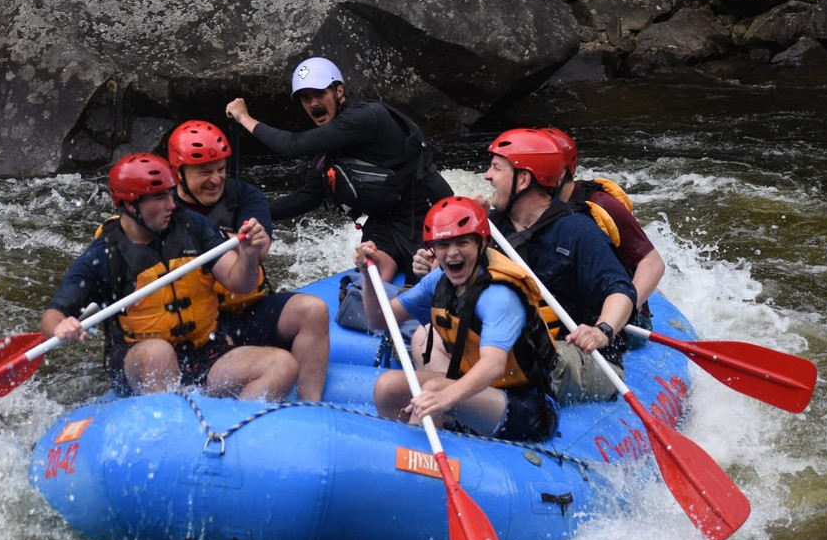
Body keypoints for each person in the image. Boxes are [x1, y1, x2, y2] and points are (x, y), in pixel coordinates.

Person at [41, 152, 297, 401]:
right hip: (139, 360)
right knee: (158, 352)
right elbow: (52, 315)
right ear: (131, 205)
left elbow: (239, 283)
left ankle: (236, 430)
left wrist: (249, 255)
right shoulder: (105, 254)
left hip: (203, 353)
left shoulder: (192, 226)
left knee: (281, 364)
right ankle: (174, 428)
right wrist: (60, 326)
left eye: (170, 193)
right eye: (160, 197)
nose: (172, 204)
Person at [225, 56, 453, 281]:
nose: (313, 103)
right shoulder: (329, 148)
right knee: (371, 277)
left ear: (339, 92)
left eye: (319, 93)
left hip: (428, 214)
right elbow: (309, 197)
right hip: (383, 223)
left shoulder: (364, 117)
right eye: (305, 98)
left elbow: (291, 145)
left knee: (430, 279)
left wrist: (244, 118)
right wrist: (248, 212)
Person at [353, 196, 560, 441]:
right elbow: (380, 320)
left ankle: (423, 462)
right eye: (443, 245)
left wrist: (446, 396)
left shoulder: (499, 296)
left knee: (432, 392)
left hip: (527, 408)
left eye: (462, 242)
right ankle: (408, 453)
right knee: (386, 388)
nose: (452, 253)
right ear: (433, 249)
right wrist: (368, 276)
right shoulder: (440, 279)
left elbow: (493, 364)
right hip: (474, 390)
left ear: (482, 244)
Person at [166, 119, 330, 401]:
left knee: (313, 309)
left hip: (248, 306)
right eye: (205, 172)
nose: (216, 179)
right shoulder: (163, 209)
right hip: (201, 323)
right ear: (178, 173)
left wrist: (220, 236)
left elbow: (260, 248)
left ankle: (309, 405)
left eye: (220, 170)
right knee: (224, 350)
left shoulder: (245, 195)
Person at [484, 129, 637, 403]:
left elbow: (620, 291)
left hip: (583, 354)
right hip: (511, 335)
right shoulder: (492, 227)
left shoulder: (578, 231)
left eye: (496, 168)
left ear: (523, 180)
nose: (487, 176)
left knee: (518, 354)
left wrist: (601, 330)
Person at [543, 127, 665, 327]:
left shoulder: (600, 203)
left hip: (621, 315)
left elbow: (653, 263)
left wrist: (624, 311)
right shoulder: (529, 204)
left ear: (563, 171)